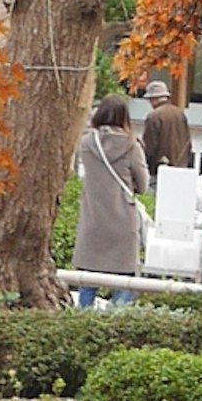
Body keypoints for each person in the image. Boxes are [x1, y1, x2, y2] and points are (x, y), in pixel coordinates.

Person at [74, 94, 144, 280]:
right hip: (122, 220)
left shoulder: (86, 143)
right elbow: (143, 185)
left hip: (92, 218)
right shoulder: (132, 146)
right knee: (125, 283)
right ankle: (117, 309)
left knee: (87, 280)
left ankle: (84, 309)